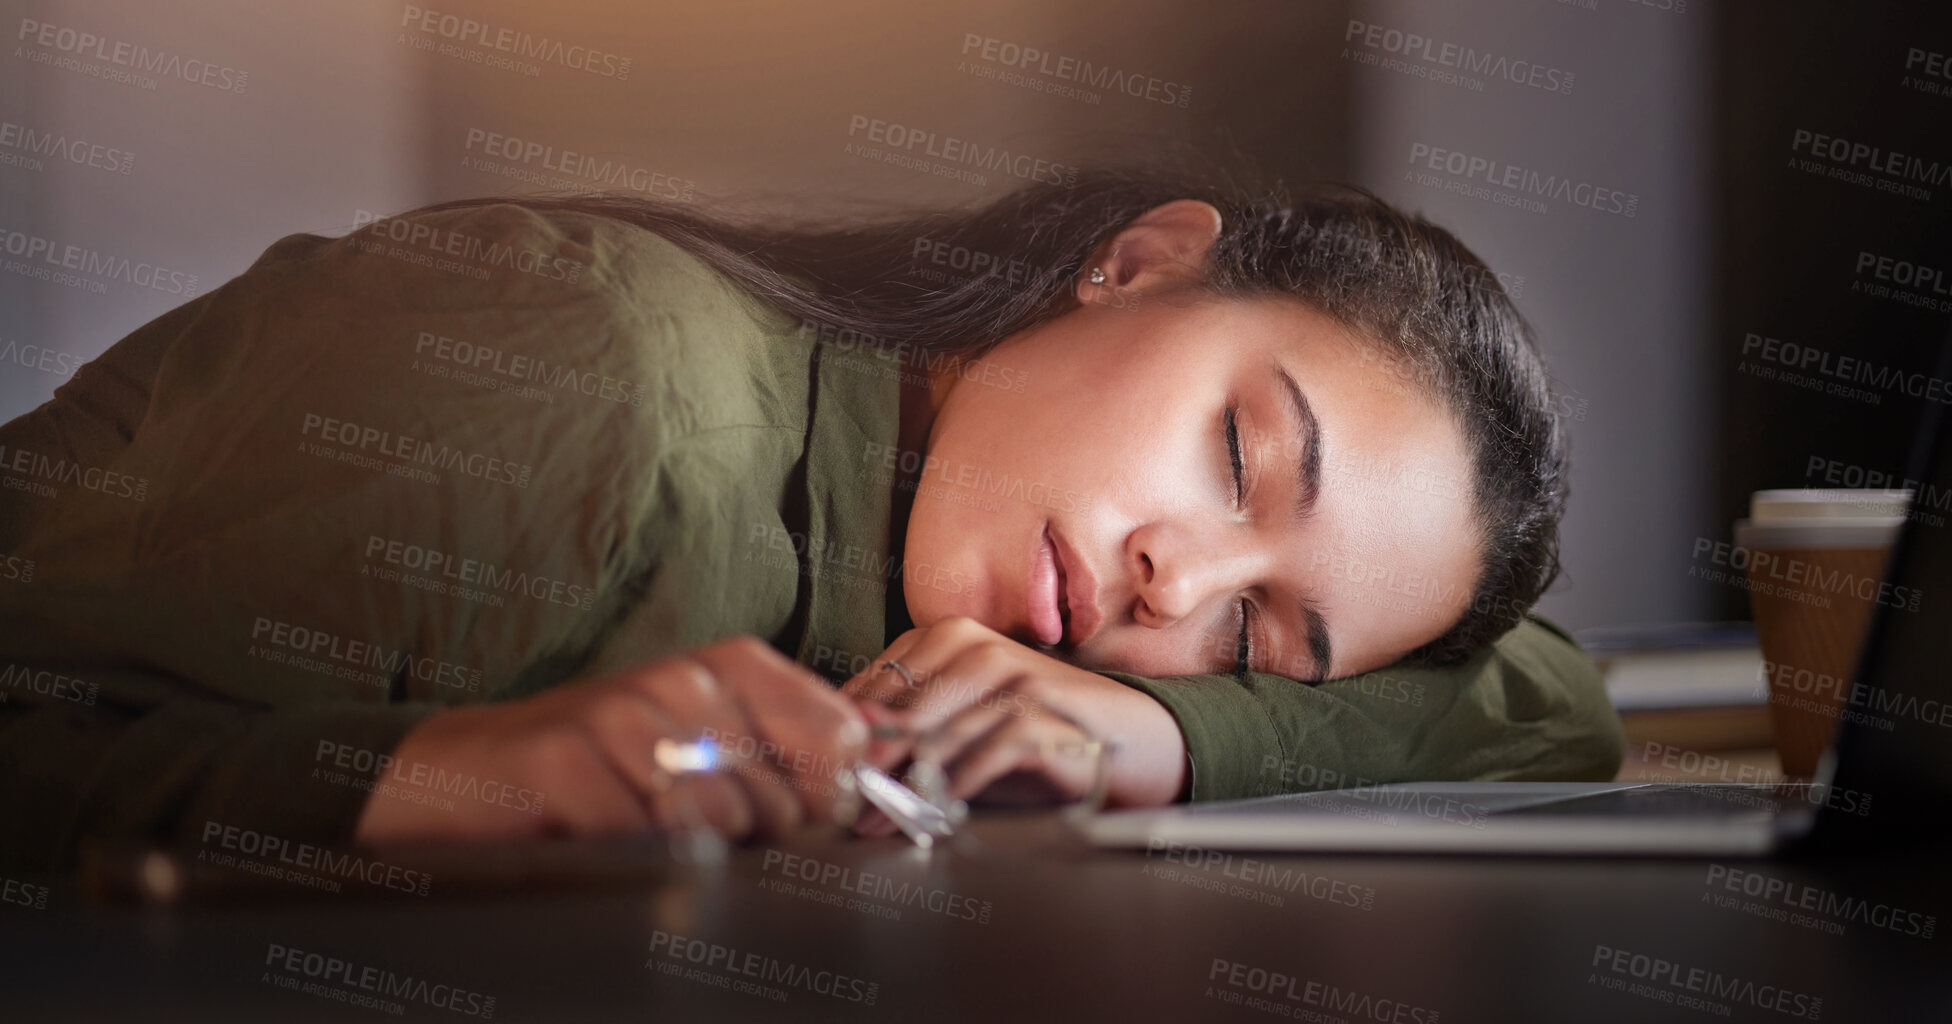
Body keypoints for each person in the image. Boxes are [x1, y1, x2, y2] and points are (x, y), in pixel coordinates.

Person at [0, 169, 1622, 869]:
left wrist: (1165, 742)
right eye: (1236, 453)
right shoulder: (592, 389)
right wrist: (446, 788)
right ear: (1137, 259)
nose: (1172, 586)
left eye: (1258, 639)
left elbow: (1549, 699)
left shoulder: (947, 595)